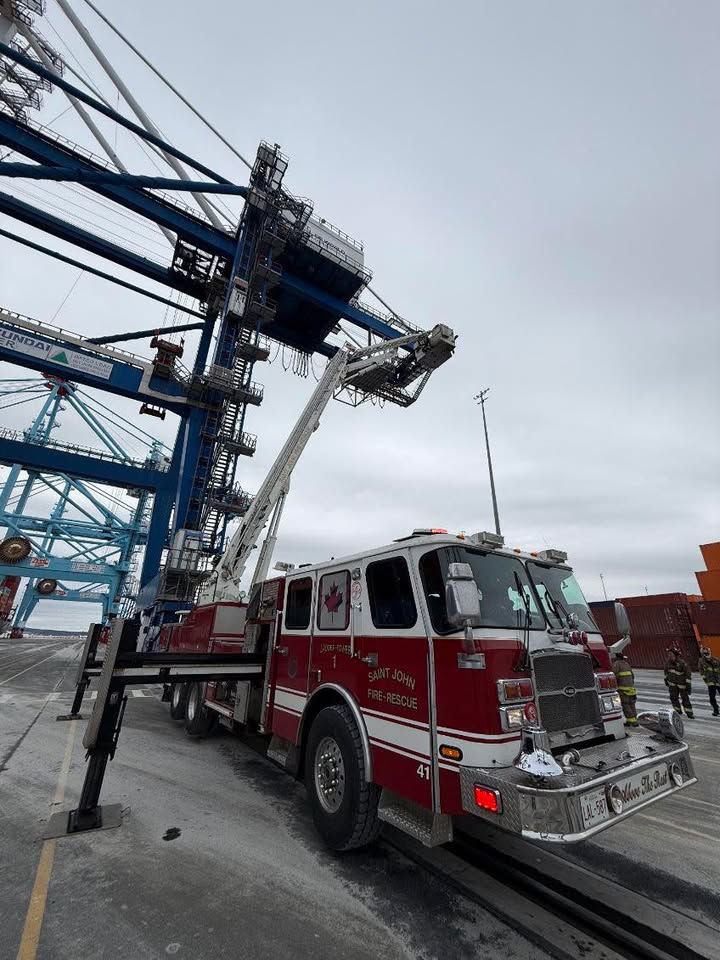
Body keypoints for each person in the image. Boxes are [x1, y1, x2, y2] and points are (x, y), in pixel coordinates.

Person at [664, 647, 694, 718]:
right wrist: (666, 679)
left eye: (671, 654)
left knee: (685, 699)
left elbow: (688, 673)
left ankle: (689, 713)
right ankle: (678, 711)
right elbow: (666, 671)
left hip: (682, 684)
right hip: (672, 684)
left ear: (675, 654)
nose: (669, 655)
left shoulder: (682, 662)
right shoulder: (668, 662)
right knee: (673, 698)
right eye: (669, 654)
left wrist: (688, 684)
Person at [612, 650, 638, 726]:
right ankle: (634, 720)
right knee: (632, 704)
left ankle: (631, 721)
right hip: (631, 689)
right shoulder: (627, 664)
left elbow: (614, 677)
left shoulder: (616, 664)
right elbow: (632, 676)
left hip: (623, 690)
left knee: (625, 705)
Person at [698, 646, 720, 718]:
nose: (706, 653)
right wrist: (705, 679)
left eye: (707, 652)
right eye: (705, 652)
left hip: (718, 680)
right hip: (710, 682)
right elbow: (701, 670)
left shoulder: (715, 659)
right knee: (712, 697)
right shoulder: (701, 661)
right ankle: (716, 710)